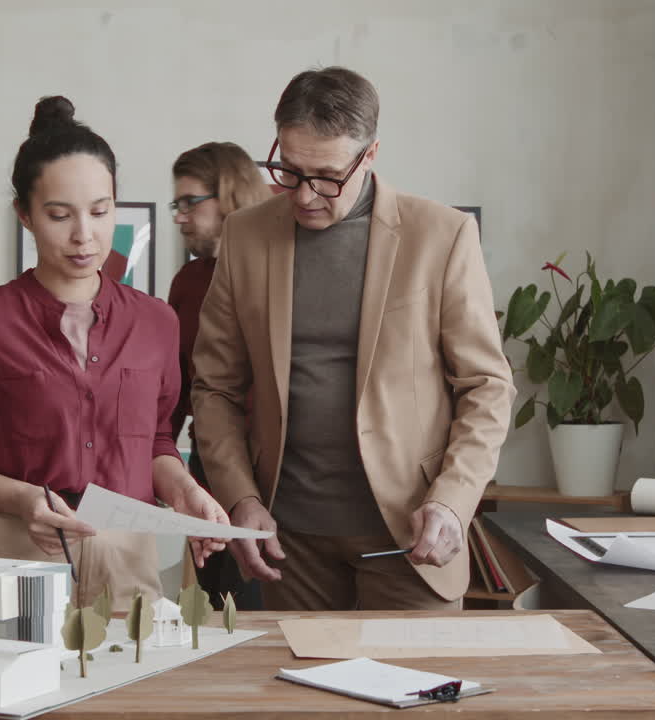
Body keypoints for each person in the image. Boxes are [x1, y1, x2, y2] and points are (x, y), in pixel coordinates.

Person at [191, 67, 514, 611]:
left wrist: (453, 500)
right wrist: (240, 497)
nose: (304, 195)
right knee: (299, 672)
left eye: (326, 176)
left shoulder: (442, 235)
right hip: (287, 541)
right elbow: (214, 388)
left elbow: (487, 386)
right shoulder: (245, 236)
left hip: (411, 534)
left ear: (370, 155)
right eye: (289, 170)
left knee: (416, 670)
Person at [0, 96, 230, 611]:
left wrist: (185, 491)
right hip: (14, 559)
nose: (84, 235)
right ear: (25, 215)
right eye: (59, 215)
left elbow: (154, 440)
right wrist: (21, 498)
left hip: (128, 563)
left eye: (100, 212)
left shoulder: (156, 323)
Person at [167, 142, 273, 609]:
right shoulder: (188, 282)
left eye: (190, 202)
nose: (180, 216)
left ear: (230, 195)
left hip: (280, 472)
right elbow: (174, 389)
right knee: (227, 611)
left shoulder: (279, 270)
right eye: (177, 204)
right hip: (210, 471)